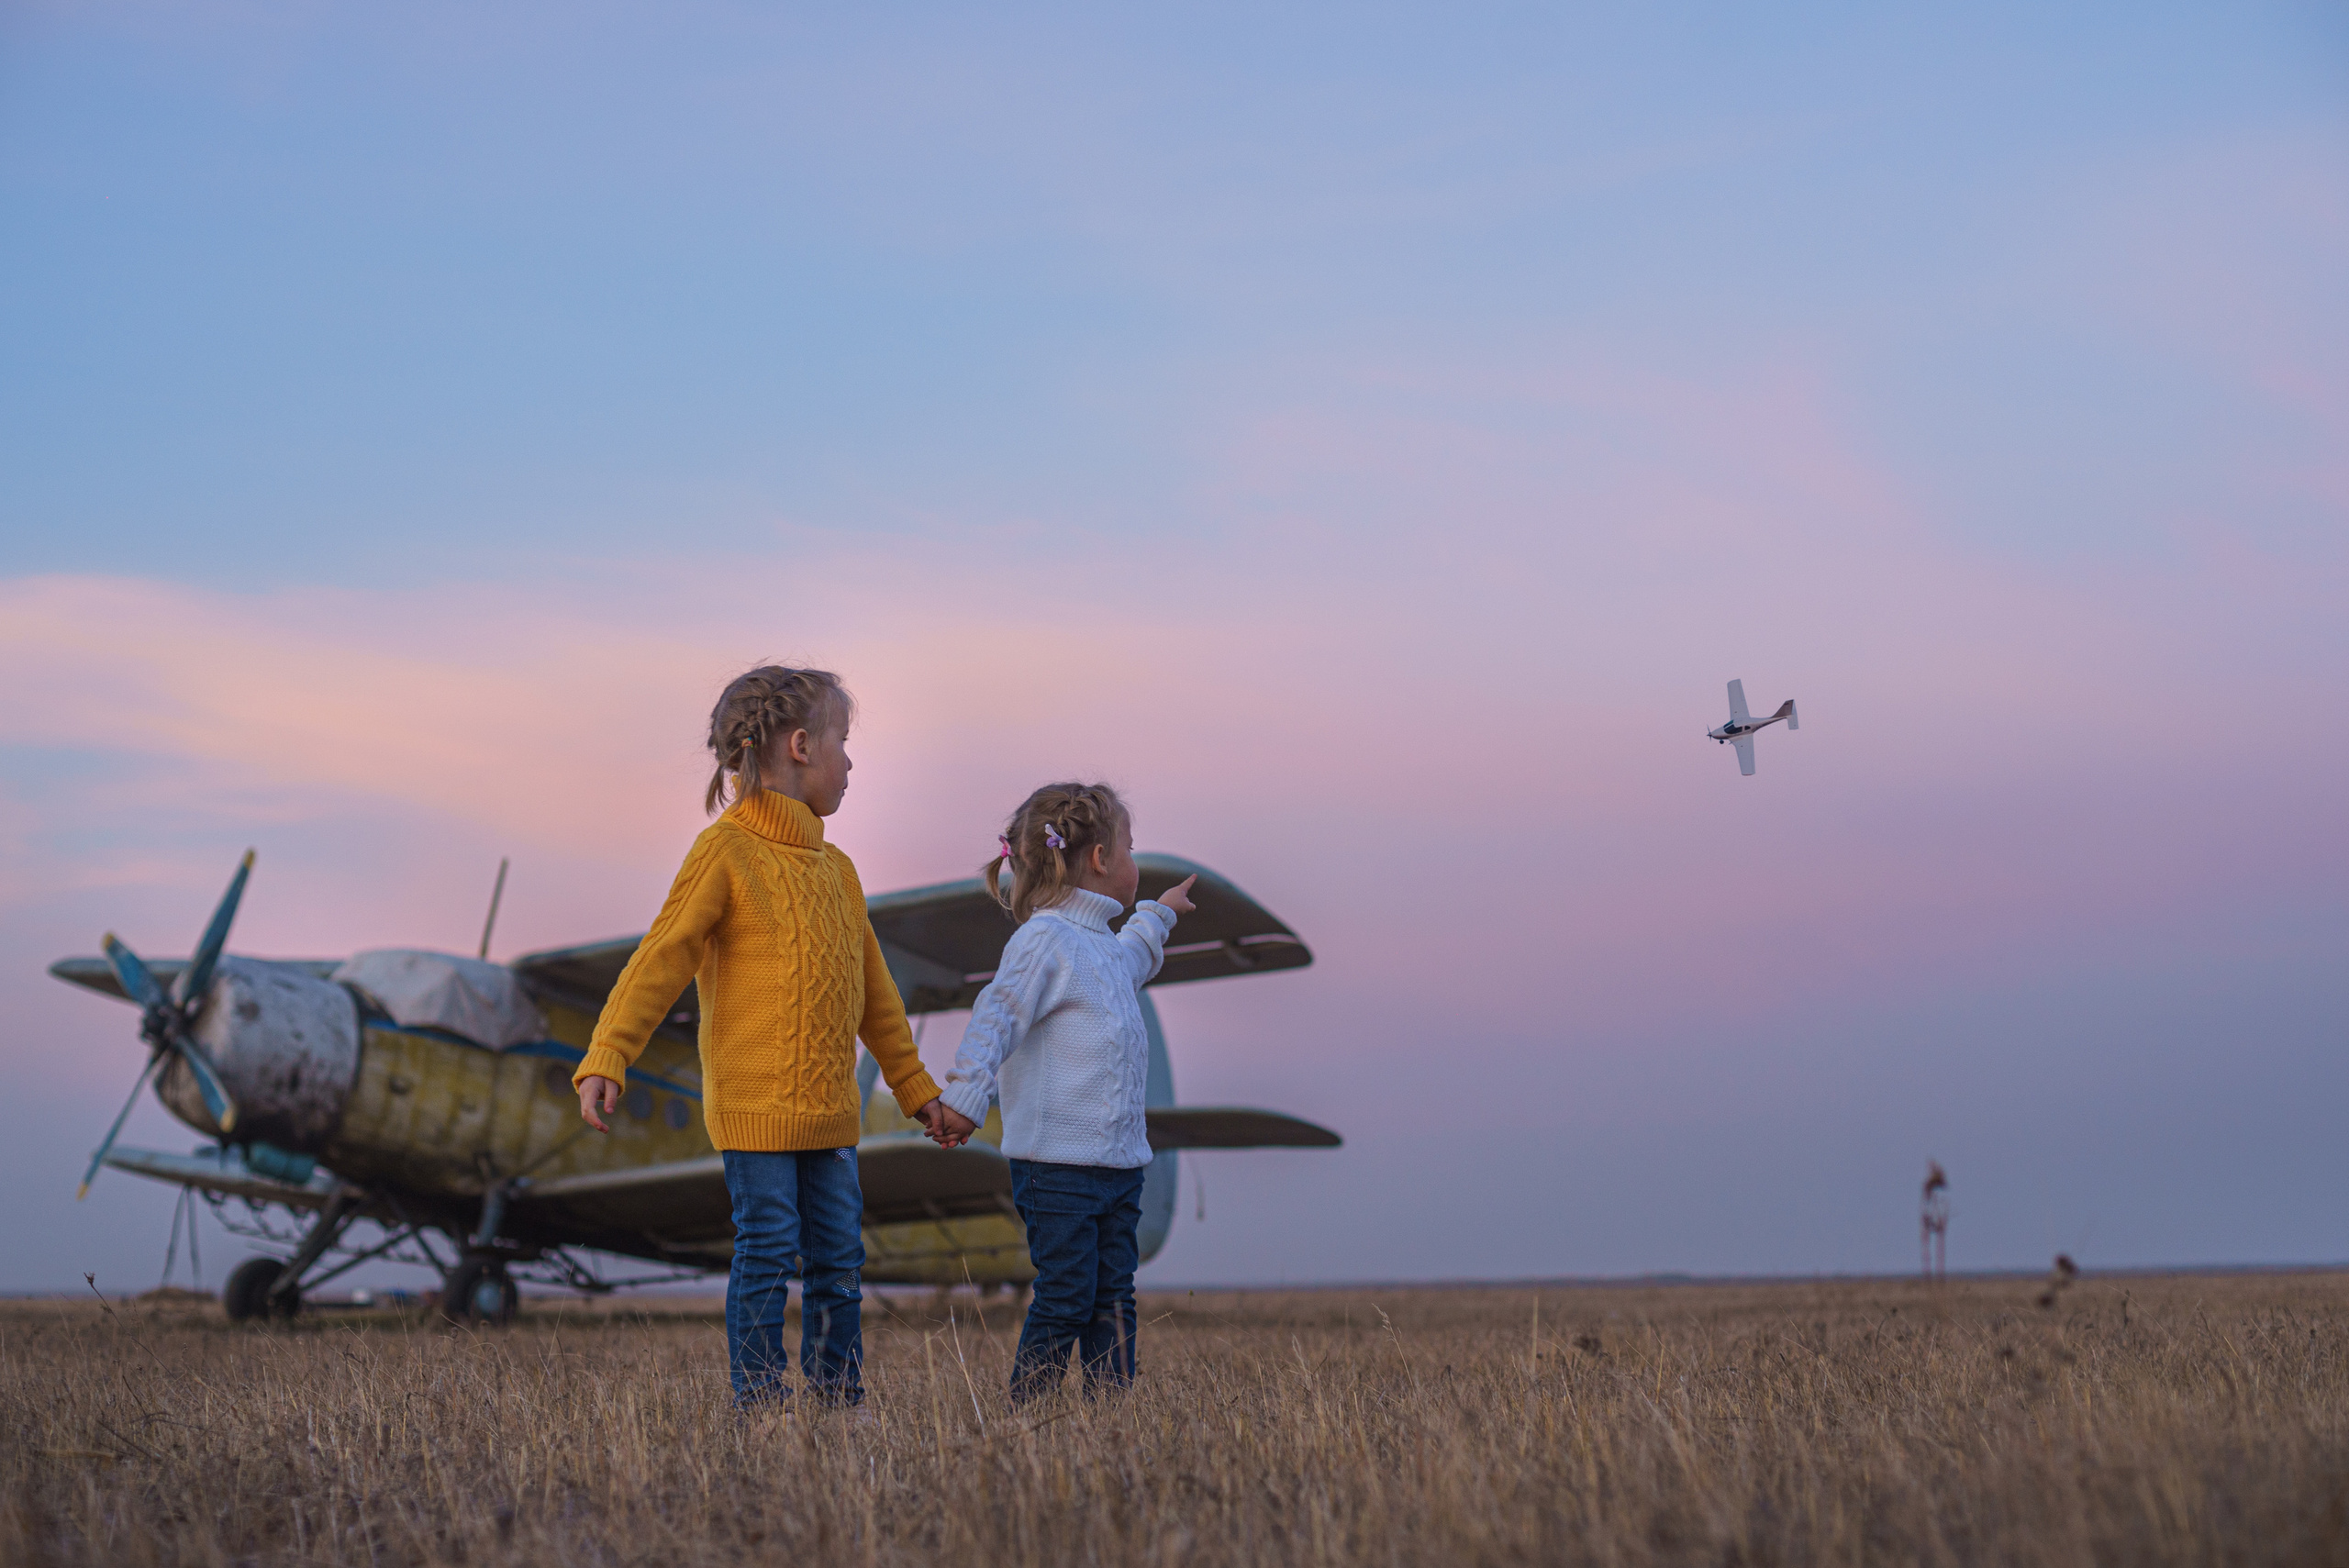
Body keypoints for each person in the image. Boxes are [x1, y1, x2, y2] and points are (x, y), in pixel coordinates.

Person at [573, 665, 949, 1408]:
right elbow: (663, 954)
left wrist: (916, 1088)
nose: (851, 762)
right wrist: (609, 1051)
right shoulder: (726, 853)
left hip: (830, 1117)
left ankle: (839, 1396)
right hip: (754, 1111)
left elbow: (876, 997)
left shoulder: (839, 872)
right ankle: (760, 1399)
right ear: (802, 745)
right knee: (770, 1249)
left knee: (841, 1257)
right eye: (844, 742)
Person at [930, 783, 1197, 1403]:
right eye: (1131, 847)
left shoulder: (1101, 946)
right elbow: (996, 1014)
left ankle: (1111, 1412)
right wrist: (966, 1098)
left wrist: (1159, 911)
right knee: (1068, 1292)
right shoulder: (1043, 940)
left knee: (1113, 1295)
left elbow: (1135, 955)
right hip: (1057, 1166)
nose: (1137, 859)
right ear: (1100, 857)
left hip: (1119, 1166)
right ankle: (1031, 1411)